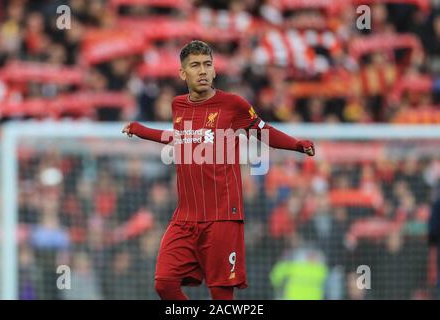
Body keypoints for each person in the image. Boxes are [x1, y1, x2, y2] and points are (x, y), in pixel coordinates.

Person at [121, 40, 315, 300]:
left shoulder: (233, 104)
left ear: (214, 71)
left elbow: (263, 131)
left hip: (222, 216)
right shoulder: (178, 105)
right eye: (195, 66)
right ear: (183, 73)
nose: (202, 71)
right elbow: (178, 137)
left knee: (220, 294)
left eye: (207, 65)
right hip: (185, 217)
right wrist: (140, 129)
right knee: (164, 283)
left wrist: (297, 145)